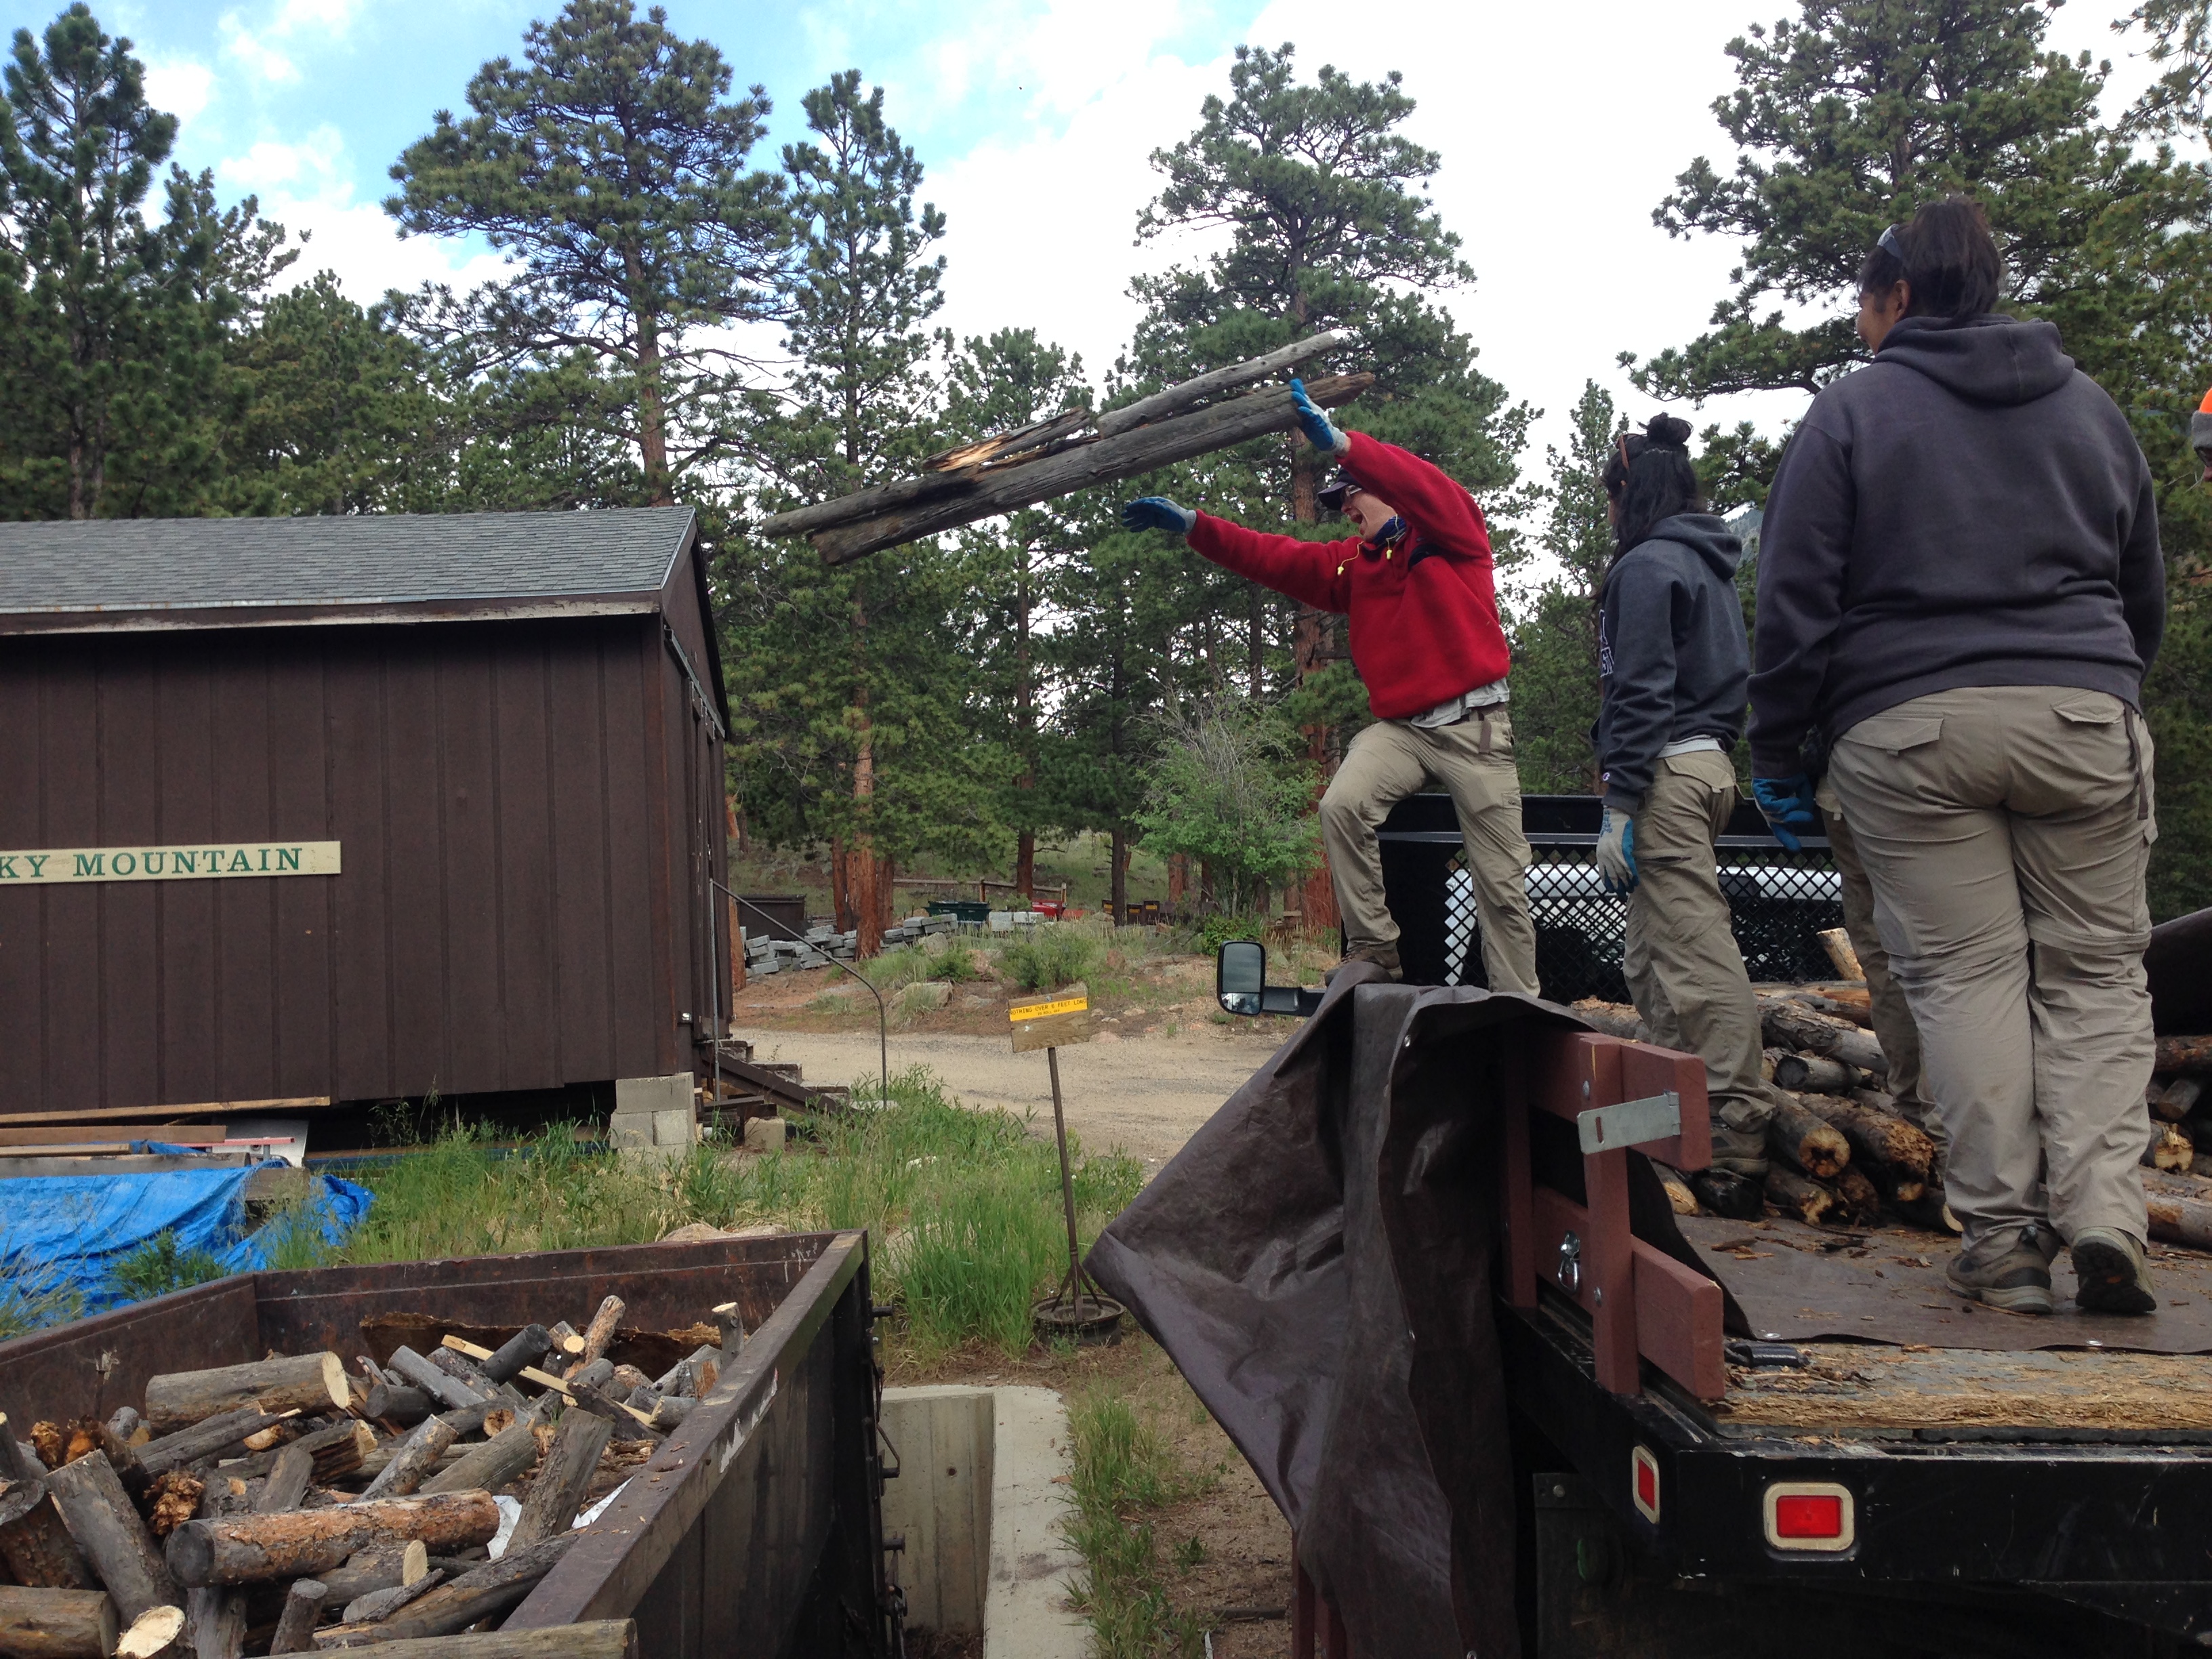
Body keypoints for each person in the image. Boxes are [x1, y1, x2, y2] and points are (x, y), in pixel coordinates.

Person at [1750, 197, 2165, 1315]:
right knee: (2090, 979)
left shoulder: (1852, 414)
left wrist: (1778, 746)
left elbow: (1793, 599)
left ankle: (2004, 1239)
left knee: (1964, 978)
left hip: (1908, 729)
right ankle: (2100, 1220)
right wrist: (2098, 686)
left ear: (1895, 297)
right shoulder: (2088, 409)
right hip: (2080, 713)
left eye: (1861, 302)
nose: (1858, 323)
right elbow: (2140, 588)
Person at [1121, 381, 1539, 991]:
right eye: (1338, 502)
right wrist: (1194, 525)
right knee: (1340, 806)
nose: (1345, 508)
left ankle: (1518, 1007)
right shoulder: (1352, 566)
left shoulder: (1451, 537)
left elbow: (1429, 488)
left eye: (1352, 496)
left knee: (1500, 880)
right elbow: (1273, 556)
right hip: (1403, 730)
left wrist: (1345, 444)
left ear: (1388, 493)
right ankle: (1375, 951)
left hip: (1474, 727)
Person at [1593, 415, 1780, 1176]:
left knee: (1696, 957)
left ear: (1629, 495)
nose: (1607, 513)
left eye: (1610, 498)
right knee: (1651, 959)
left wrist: (1622, 800)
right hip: (1708, 765)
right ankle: (1677, 1113)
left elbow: (1641, 690)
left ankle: (1737, 1121)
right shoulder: (1710, 565)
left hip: (1667, 773)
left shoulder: (1648, 568)